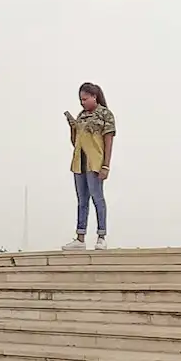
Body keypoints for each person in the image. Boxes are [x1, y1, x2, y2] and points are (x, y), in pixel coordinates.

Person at [63, 82, 115, 249]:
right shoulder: (81, 116)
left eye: (85, 99)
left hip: (95, 163)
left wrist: (106, 165)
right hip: (79, 164)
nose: (82, 102)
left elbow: (108, 141)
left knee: (97, 198)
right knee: (82, 200)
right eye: (80, 100)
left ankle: (101, 235)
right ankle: (80, 237)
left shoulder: (105, 115)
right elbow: (76, 142)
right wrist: (72, 127)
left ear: (94, 97)